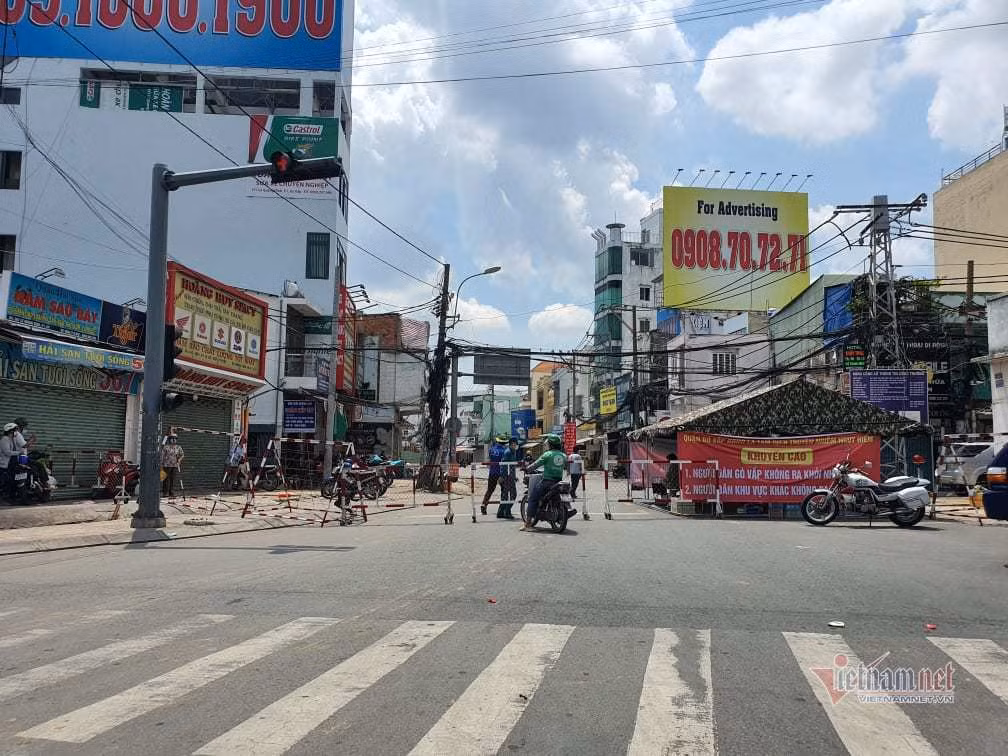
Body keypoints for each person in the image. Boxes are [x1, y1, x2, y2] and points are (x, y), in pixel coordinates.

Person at [521, 433, 575, 531]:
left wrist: (527, 469)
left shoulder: (547, 454)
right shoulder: (563, 455)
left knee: (533, 498)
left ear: (550, 444)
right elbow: (568, 469)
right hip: (558, 482)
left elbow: (536, 464)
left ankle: (528, 524)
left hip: (547, 482)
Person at [481, 434, 508, 515]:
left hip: (492, 472)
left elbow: (490, 458)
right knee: (504, 490)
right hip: (501, 473)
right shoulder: (504, 451)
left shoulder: (491, 450)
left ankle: (484, 504)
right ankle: (502, 508)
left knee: (490, 490)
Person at [497, 437, 520, 520]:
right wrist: (502, 476)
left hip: (510, 476)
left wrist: (514, 477)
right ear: (511, 444)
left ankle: (500, 512)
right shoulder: (508, 452)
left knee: (505, 496)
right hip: (506, 477)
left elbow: (512, 466)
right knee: (512, 494)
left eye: (516, 444)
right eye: (514, 444)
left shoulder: (513, 452)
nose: (515, 445)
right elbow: (504, 465)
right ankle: (507, 512)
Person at [0, 422, 17, 495]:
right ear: (10, 431)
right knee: (5, 481)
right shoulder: (5, 439)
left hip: (8, 464)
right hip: (3, 464)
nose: (16, 432)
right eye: (14, 430)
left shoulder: (10, 439)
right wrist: (18, 453)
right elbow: (7, 452)